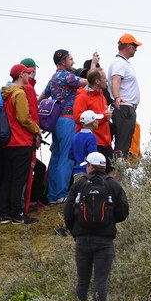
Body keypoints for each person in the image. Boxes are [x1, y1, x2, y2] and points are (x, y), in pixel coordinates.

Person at [63, 151, 130, 301]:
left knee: (82, 281)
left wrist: (76, 232)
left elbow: (67, 213)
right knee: (100, 281)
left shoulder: (79, 184)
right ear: (104, 167)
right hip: (105, 241)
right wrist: (108, 222)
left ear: (91, 167)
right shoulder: (113, 185)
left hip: (82, 240)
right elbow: (123, 212)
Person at [40, 49, 87, 203]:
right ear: (63, 62)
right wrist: (93, 68)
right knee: (66, 158)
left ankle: (52, 196)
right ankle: (61, 193)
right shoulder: (67, 76)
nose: (73, 62)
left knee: (56, 158)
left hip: (57, 122)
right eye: (71, 59)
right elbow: (88, 81)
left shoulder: (53, 78)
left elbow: (41, 97)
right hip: (68, 121)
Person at [0, 64, 40, 224]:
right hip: (21, 140)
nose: (29, 76)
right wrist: (36, 129)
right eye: (26, 73)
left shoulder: (8, 93)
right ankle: (17, 214)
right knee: (19, 179)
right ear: (21, 74)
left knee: (8, 178)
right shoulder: (19, 93)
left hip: (9, 141)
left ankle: (5, 213)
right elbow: (24, 118)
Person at [108, 33, 143, 157]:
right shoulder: (119, 63)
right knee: (122, 146)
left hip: (125, 107)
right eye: (134, 46)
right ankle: (118, 173)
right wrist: (117, 97)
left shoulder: (122, 63)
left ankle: (118, 171)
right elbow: (115, 80)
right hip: (124, 107)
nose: (136, 49)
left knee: (123, 145)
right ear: (128, 46)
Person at [73, 68, 113, 168]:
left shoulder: (102, 96)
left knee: (112, 172)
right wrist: (102, 118)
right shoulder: (82, 97)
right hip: (93, 143)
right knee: (96, 175)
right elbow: (78, 119)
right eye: (104, 78)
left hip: (106, 142)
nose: (106, 80)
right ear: (97, 81)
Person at [70, 111, 101, 179]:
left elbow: (71, 155)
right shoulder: (92, 137)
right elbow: (93, 157)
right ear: (93, 123)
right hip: (87, 172)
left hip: (76, 171)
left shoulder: (75, 136)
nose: (98, 121)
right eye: (97, 120)